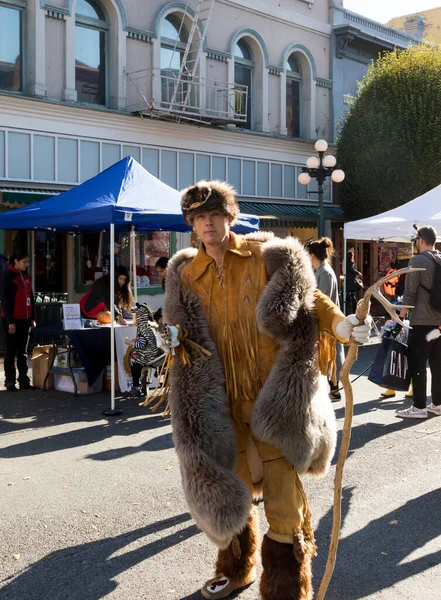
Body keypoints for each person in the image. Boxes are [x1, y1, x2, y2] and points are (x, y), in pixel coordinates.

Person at [161, 180, 371, 600]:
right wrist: (163, 339)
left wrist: (341, 326)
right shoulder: (185, 273)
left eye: (214, 214)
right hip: (218, 405)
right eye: (199, 217)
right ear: (191, 224)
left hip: (273, 399)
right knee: (229, 489)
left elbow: (310, 298)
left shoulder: (265, 256)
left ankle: (286, 586)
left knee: (282, 500)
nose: (207, 222)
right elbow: (178, 332)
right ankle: (237, 567)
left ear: (230, 216)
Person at [396, 226, 441, 418]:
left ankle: (420, 407)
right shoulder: (440, 259)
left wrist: (399, 317)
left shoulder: (417, 261)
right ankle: (438, 403)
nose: (415, 242)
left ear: (421, 239)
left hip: (421, 321)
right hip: (439, 324)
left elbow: (410, 293)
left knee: (418, 363)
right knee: (438, 365)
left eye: (415, 239)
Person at [306, 237, 346, 401]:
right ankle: (331, 388)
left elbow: (325, 301)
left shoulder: (325, 273)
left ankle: (334, 390)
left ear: (312, 256)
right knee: (326, 356)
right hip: (325, 323)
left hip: (328, 323)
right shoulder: (321, 271)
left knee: (330, 356)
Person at [1, 250, 36, 391]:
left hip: (25, 319)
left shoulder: (26, 276)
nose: (26, 264)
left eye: (28, 262)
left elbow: (31, 297)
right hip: (12, 319)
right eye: (24, 262)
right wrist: (10, 321)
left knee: (22, 351)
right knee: (11, 350)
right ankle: (9, 381)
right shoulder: (8, 276)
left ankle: (24, 380)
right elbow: (5, 300)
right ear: (16, 261)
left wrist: (33, 317)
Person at [124, 302, 164, 397]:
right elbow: (148, 340)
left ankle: (136, 387)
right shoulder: (152, 325)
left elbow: (141, 344)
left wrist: (131, 343)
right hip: (158, 355)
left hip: (149, 356)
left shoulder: (143, 328)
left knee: (134, 363)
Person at [346, 250, 363, 314]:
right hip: (352, 282)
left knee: (347, 297)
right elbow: (352, 269)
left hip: (347, 282)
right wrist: (358, 272)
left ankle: (344, 310)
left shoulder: (346, 263)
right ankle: (354, 311)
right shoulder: (351, 262)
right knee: (353, 297)